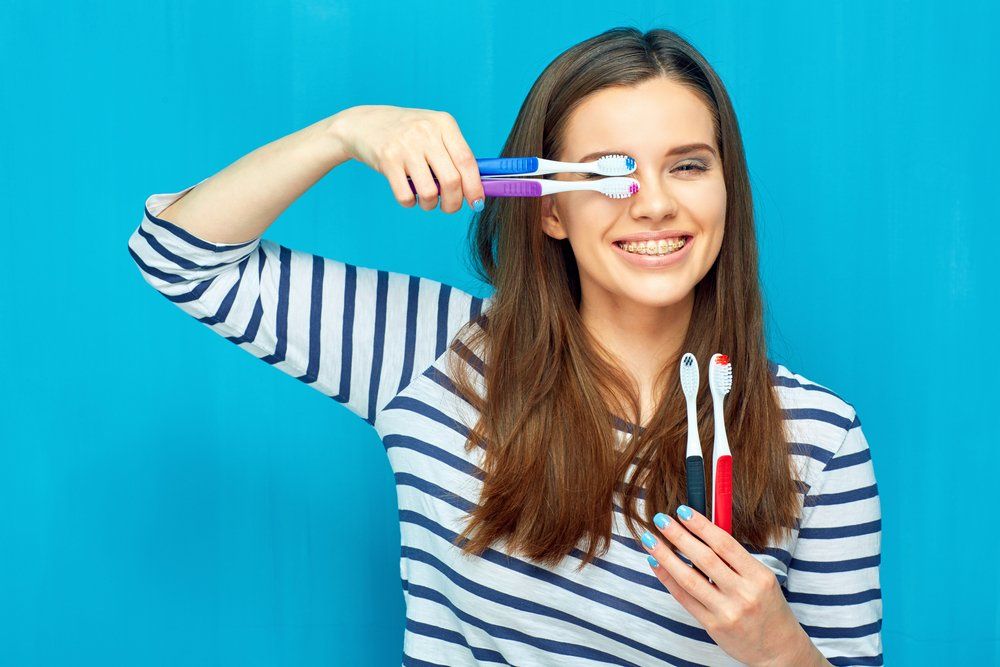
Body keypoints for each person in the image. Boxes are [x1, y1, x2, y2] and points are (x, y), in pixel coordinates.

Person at [127, 26, 882, 667]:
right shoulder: (430, 354)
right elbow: (176, 254)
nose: (656, 202)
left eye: (689, 165)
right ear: (548, 211)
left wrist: (781, 648)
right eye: (613, 173)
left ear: (726, 189)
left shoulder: (819, 438)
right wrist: (345, 131)